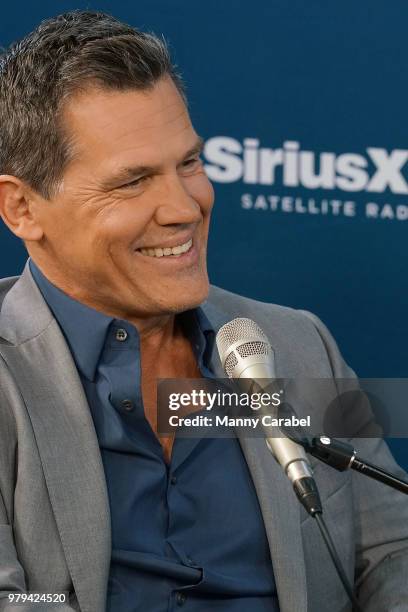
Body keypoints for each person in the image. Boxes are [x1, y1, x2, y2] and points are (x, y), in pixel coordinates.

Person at [0, 11, 407, 612]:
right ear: (22, 208)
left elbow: (392, 552)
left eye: (188, 163)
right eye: (133, 181)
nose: (184, 207)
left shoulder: (299, 342)